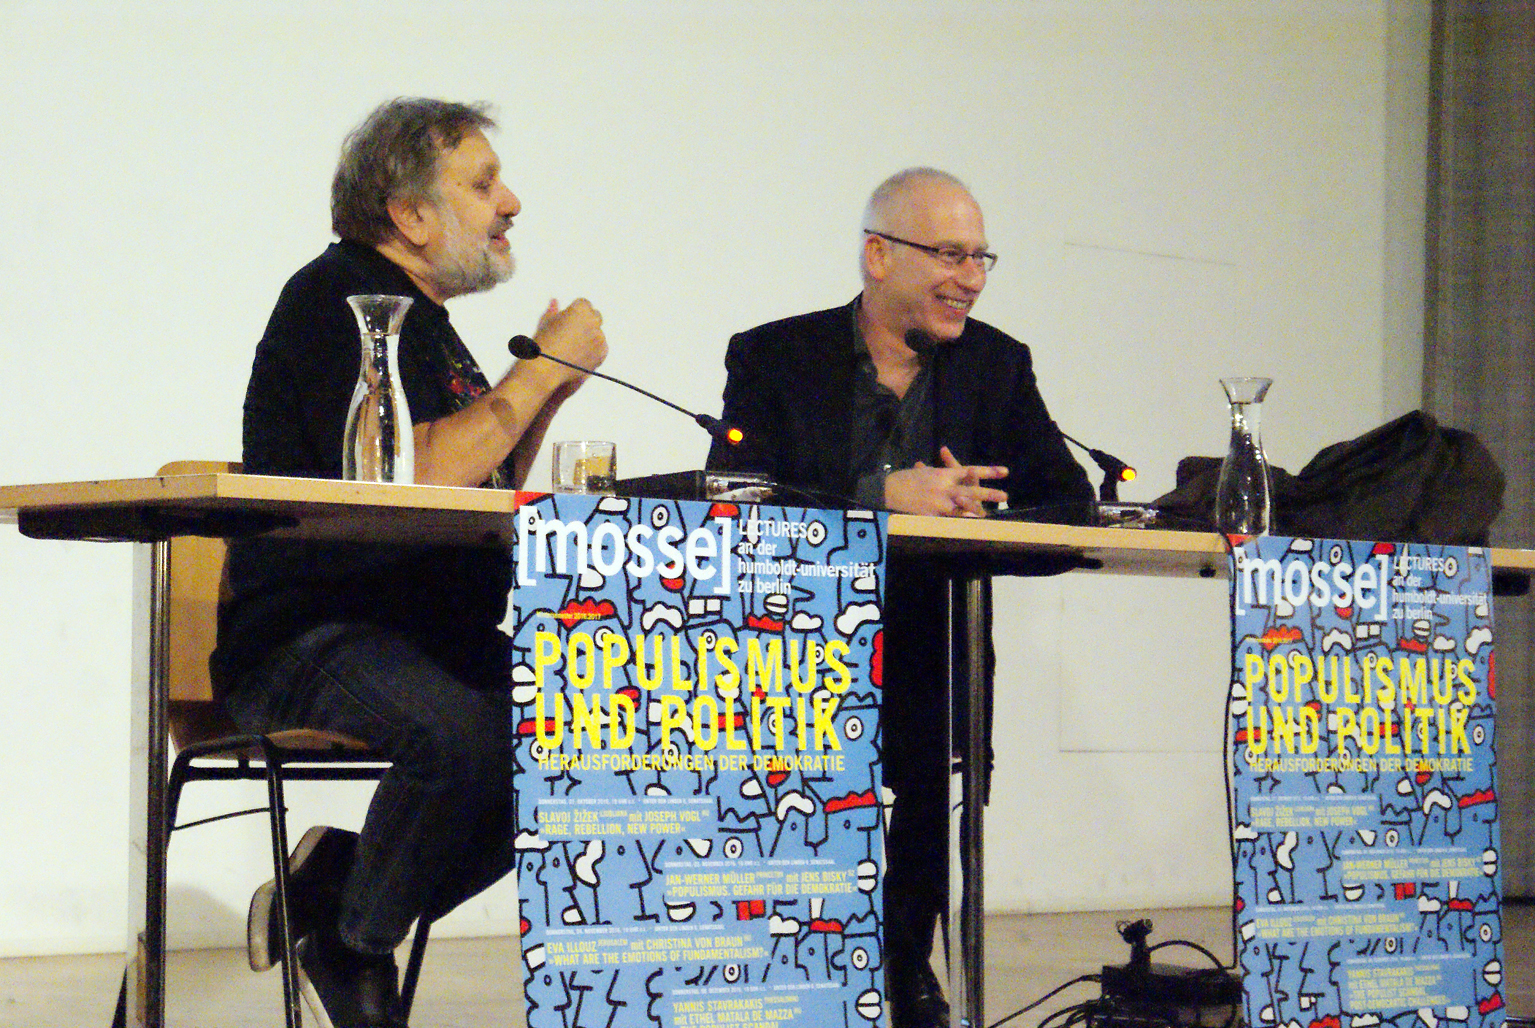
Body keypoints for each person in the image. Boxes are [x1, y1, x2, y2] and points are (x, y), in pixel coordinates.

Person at [210, 98, 607, 1028]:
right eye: (482, 183)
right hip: (312, 637)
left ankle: (343, 899)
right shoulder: (340, 301)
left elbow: (476, 477)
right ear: (411, 214)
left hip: (431, 638)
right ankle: (353, 939)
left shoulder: (431, 324)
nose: (510, 202)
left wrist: (547, 391)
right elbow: (409, 474)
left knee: (595, 740)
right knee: (462, 739)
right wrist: (539, 372)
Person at [705, 168, 1092, 1028]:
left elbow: (1067, 505)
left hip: (927, 631)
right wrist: (877, 499)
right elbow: (734, 500)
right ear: (878, 255)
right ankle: (779, 962)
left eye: (981, 258)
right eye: (950, 255)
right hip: (793, 634)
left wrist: (973, 515)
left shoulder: (995, 364)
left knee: (922, 770)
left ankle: (905, 965)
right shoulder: (774, 356)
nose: (971, 278)